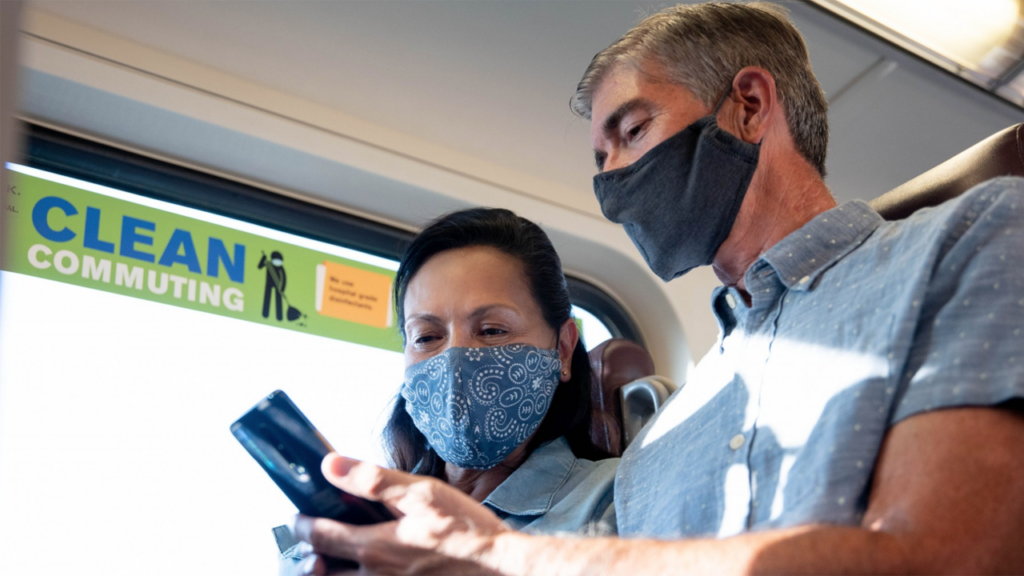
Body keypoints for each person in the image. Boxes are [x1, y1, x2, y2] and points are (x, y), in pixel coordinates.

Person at [291, 3, 1024, 575]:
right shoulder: (662, 441)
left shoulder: (968, 238)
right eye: (600, 160)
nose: (611, 184)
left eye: (633, 131)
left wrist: (500, 557)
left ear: (748, 106)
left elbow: (949, 558)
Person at [277, 208, 618, 574]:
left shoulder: (616, 496)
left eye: (492, 330)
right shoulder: (362, 527)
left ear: (562, 349)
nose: (455, 359)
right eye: (427, 337)